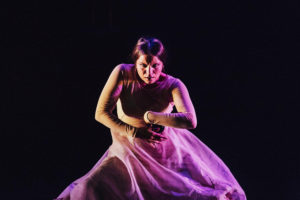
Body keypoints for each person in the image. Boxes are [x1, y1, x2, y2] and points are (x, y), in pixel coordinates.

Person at [55, 37, 247, 200]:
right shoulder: (122, 73)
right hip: (127, 149)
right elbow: (101, 113)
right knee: (89, 188)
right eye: (143, 65)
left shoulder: (173, 84)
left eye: (155, 66)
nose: (149, 72)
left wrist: (151, 116)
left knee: (193, 193)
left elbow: (190, 120)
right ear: (135, 62)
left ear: (162, 64)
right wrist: (135, 131)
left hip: (165, 153)